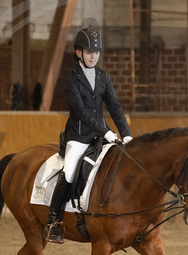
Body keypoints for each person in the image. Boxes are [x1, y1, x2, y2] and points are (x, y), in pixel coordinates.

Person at [44, 27, 133, 243]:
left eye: (96, 52)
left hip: (102, 136)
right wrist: (107, 132)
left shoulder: (103, 77)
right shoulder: (72, 79)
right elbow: (81, 112)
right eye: (89, 52)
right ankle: (53, 221)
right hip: (79, 136)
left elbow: (114, 106)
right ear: (78, 53)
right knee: (69, 172)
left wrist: (127, 135)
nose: (93, 56)